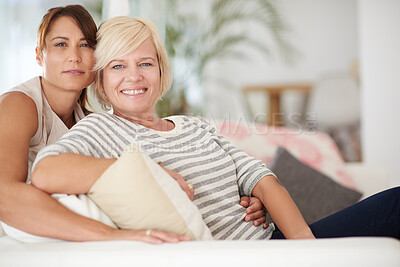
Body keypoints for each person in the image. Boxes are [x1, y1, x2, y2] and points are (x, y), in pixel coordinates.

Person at [31, 16, 399, 241]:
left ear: (161, 73)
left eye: (145, 63)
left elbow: (261, 178)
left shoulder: (194, 126)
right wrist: (148, 173)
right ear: (99, 79)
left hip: (278, 243)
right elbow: (45, 172)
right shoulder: (101, 128)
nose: (134, 76)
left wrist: (302, 245)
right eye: (117, 66)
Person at [0, 6, 266, 244]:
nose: (74, 56)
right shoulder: (19, 104)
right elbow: (4, 195)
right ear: (39, 55)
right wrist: (112, 236)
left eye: (84, 45)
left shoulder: (89, 120)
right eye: (60, 44)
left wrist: (239, 197)